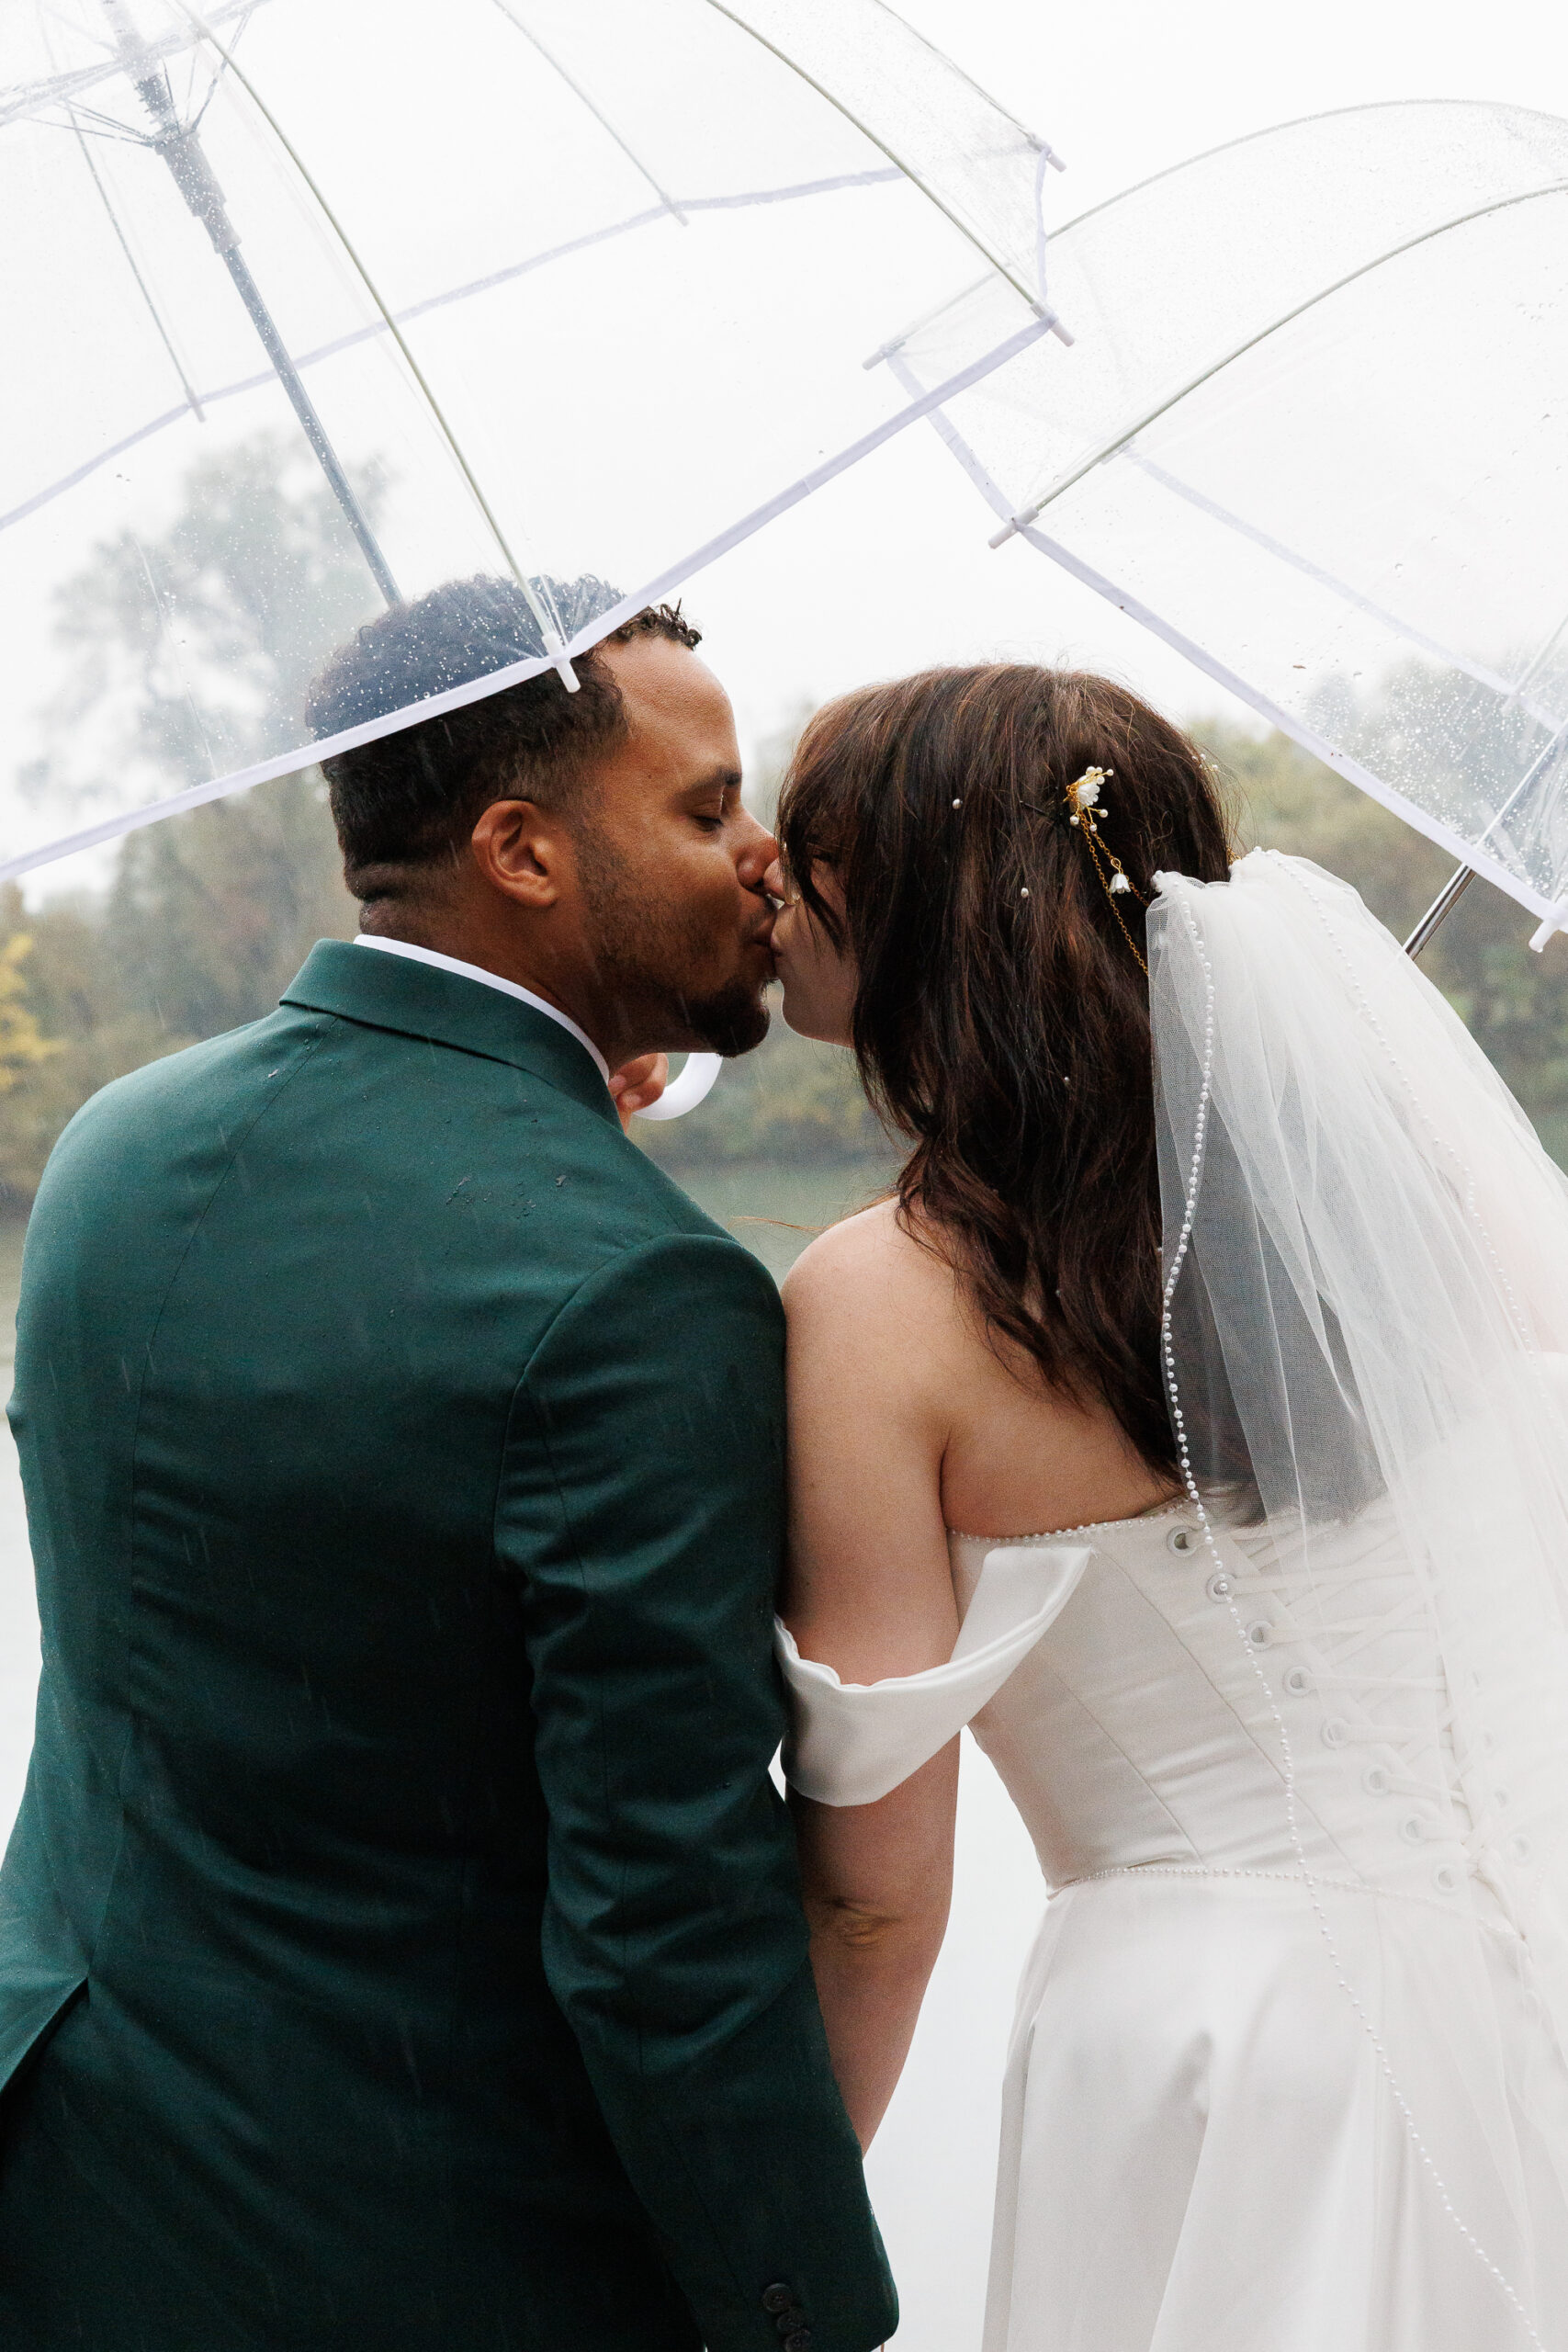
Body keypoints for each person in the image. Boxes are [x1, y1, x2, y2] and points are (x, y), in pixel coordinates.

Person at [0, 575, 896, 2352]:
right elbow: (663, 1921)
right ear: (523, 850)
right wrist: (799, 2311)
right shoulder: (639, 1291)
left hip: (68, 2195)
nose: (765, 862)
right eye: (707, 809)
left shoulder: (114, 1149)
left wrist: (550, 1130)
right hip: (428, 2255)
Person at [763, 662, 1568, 2351]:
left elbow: (874, 1895)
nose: (769, 877)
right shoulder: (1408, 1211)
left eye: (807, 846)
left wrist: (761, 2253)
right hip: (1508, 2010)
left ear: (917, 896)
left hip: (1209, 2051)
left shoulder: (883, 1306)